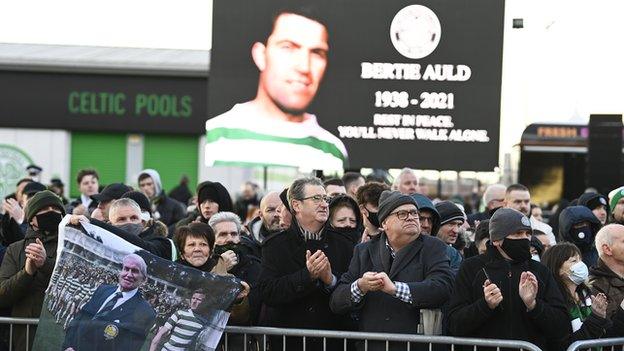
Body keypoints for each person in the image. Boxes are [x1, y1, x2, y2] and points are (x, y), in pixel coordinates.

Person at [205, 6, 347, 170]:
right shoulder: (215, 136)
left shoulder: (333, 150)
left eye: (317, 53)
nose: (304, 67)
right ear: (260, 55)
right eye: (288, 47)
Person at [330, 190, 453, 351]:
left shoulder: (433, 247)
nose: (411, 217)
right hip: (373, 345)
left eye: (414, 213)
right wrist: (360, 286)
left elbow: (443, 287)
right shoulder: (364, 251)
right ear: (384, 223)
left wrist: (395, 289)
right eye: (402, 214)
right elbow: (336, 301)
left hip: (416, 346)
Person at [447, 208, 570, 350]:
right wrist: (485, 306)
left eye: (528, 233)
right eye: (518, 233)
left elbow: (562, 326)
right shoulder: (472, 268)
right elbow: (454, 324)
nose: (525, 238)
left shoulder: (540, 271)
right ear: (497, 240)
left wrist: (534, 305)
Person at [258, 177, 355, 350]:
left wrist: (330, 280)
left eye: (326, 199)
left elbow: (353, 291)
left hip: (332, 342)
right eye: (316, 199)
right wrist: (307, 276)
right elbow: (268, 292)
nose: (324, 204)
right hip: (289, 343)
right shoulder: (274, 246)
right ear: (296, 205)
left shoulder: (345, 244)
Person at [0, 190, 65, 351]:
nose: (51, 212)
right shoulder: (15, 250)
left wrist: (45, 264)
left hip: (62, 337)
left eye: (56, 209)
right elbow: (3, 296)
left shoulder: (71, 246)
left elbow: (75, 285)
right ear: (31, 219)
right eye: (44, 209)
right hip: (25, 339)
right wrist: (27, 272)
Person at [62, 254, 157, 351]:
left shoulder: (145, 312)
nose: (129, 274)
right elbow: (79, 319)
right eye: (126, 269)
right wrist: (68, 346)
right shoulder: (103, 290)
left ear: (144, 279)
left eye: (135, 271)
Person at [541, 242, 611, 345]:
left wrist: (603, 316)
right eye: (574, 261)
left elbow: (606, 334)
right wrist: (596, 317)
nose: (581, 264)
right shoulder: (554, 302)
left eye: (580, 260)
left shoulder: (586, 295)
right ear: (557, 269)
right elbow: (568, 343)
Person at [209, 212, 262, 325]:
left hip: (240, 335)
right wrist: (221, 268)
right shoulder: (204, 263)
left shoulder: (253, 264)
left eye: (233, 234)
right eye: (223, 234)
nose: (229, 239)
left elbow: (254, 308)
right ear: (212, 239)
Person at [433, 201, 465, 274]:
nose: (456, 230)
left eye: (459, 225)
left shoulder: (458, 255)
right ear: (437, 225)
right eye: (451, 224)